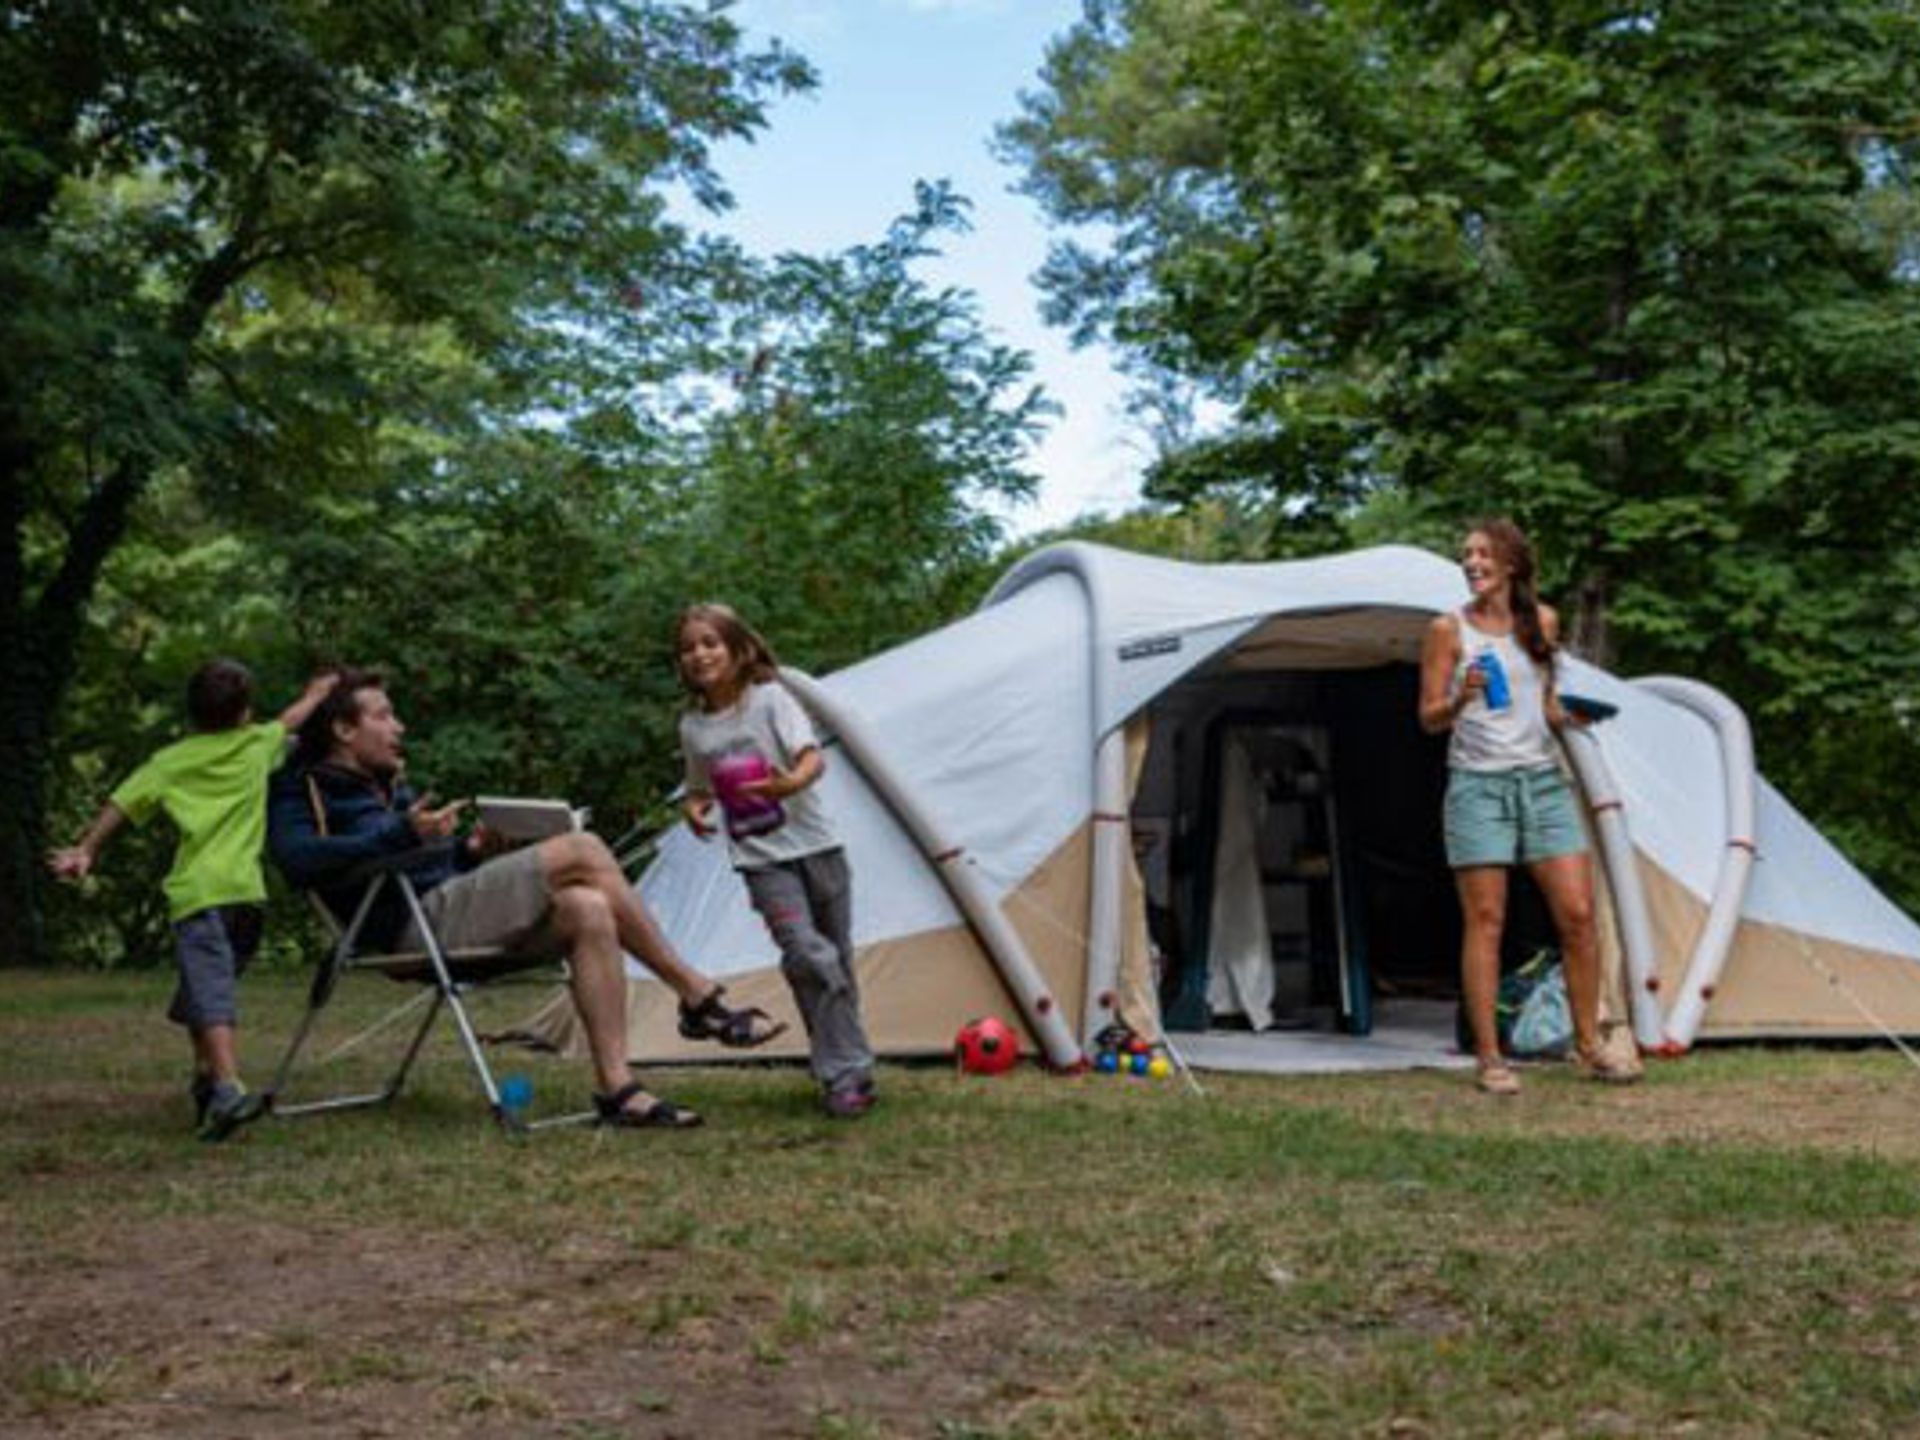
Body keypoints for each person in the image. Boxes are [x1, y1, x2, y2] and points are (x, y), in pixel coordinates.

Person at [267, 667, 784, 1130]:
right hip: (408, 930)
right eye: (383, 716)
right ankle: (697, 997)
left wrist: (468, 852)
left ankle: (618, 1089)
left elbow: (421, 862)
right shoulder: (300, 787)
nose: (398, 727)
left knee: (588, 908)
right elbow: (299, 862)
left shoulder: (387, 784)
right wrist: (402, 833)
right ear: (344, 730)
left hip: (444, 912)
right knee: (583, 849)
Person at [48, 661, 339, 1140]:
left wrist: (87, 849)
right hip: (245, 895)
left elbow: (123, 802)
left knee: (206, 989)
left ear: (192, 713)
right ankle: (222, 1085)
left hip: (199, 893)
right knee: (212, 986)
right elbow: (292, 718)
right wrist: (318, 691)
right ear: (245, 712)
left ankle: (213, 1079)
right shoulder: (257, 744)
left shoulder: (171, 761)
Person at [1417, 519, 1639, 1095]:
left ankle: (1588, 1045)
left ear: (1511, 564)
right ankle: (1490, 1058)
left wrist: (1571, 715)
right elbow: (1428, 718)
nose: (1471, 563)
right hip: (1478, 787)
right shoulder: (1446, 630)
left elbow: (1543, 705)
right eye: (1466, 555)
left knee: (1579, 915)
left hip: (1541, 783)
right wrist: (1460, 698)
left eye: (1483, 554)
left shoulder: (1542, 621)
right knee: (1487, 922)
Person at [675, 604, 877, 1119]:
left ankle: (847, 1071)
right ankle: (843, 1072)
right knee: (810, 954)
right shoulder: (693, 727)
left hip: (817, 845)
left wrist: (790, 783)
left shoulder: (771, 700)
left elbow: (812, 757)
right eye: (688, 647)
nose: (699, 654)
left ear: (739, 649)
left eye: (710, 643)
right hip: (761, 860)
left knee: (834, 962)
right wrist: (694, 807)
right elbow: (698, 786)